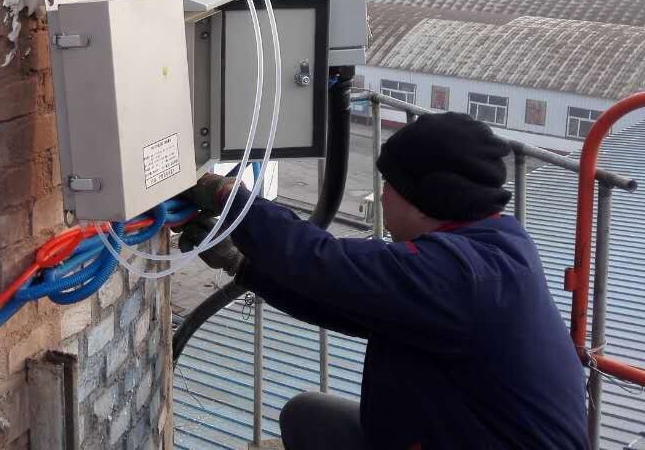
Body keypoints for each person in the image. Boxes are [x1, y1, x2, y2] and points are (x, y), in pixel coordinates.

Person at [178, 112, 588, 450]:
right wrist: (243, 265)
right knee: (310, 418)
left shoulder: (463, 275)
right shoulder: (497, 243)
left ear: (427, 199)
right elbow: (346, 303)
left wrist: (229, 197)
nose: (383, 193)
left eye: (391, 183)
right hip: (458, 434)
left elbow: (323, 263)